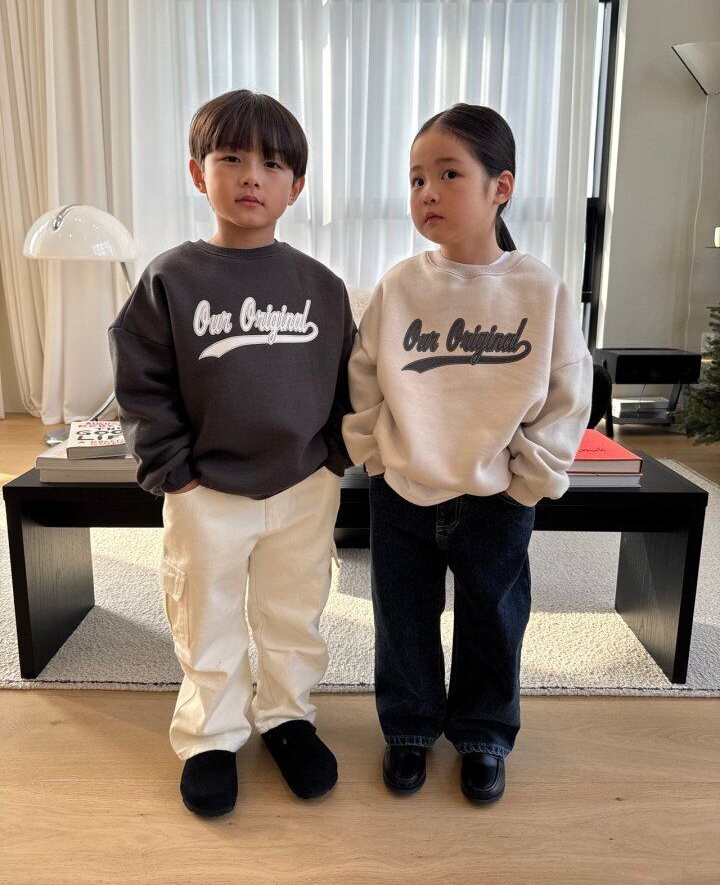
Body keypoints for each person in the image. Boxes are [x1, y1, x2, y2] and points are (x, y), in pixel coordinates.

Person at [108, 88, 356, 817]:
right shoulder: (170, 279)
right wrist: (173, 472)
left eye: (273, 164)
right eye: (231, 157)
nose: (252, 175)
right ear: (198, 173)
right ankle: (211, 736)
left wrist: (334, 454)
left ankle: (286, 717)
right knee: (205, 613)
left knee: (293, 611)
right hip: (206, 490)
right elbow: (141, 381)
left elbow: (351, 379)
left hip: (303, 484)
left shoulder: (322, 287)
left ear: (296, 186)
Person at [342, 103, 593, 805]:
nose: (427, 191)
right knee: (402, 617)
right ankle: (410, 727)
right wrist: (375, 457)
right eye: (416, 178)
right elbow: (364, 374)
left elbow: (568, 392)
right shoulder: (401, 283)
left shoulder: (538, 288)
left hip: (496, 496)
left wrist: (530, 480)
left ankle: (483, 734)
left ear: (500, 187)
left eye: (448, 174)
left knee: (493, 619)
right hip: (403, 489)